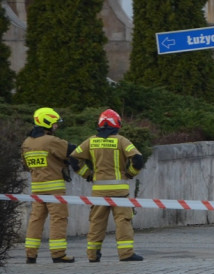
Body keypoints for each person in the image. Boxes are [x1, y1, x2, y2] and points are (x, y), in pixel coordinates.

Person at [73, 109, 145, 262]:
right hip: (120, 191)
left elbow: (74, 159)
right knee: (123, 222)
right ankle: (126, 254)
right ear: (117, 124)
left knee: (96, 223)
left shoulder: (91, 141)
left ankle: (92, 255)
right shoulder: (121, 141)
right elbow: (138, 159)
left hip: (98, 192)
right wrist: (130, 173)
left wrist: (87, 175)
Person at [21, 107, 78, 263]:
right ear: (46, 122)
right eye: (54, 124)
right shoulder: (51, 141)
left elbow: (25, 165)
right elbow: (73, 151)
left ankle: (30, 254)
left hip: (37, 188)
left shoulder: (27, 142)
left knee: (36, 220)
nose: (56, 127)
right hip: (54, 188)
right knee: (58, 219)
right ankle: (58, 254)